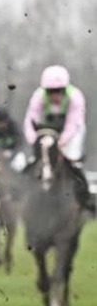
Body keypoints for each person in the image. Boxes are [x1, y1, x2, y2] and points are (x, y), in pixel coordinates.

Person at [23, 64, 95, 213]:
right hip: (47, 132)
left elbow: (73, 124)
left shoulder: (76, 97)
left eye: (58, 91)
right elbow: (30, 122)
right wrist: (35, 143)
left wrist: (61, 143)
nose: (55, 95)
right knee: (36, 158)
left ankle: (86, 198)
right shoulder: (38, 96)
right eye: (50, 91)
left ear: (65, 89)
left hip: (72, 133)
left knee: (73, 161)